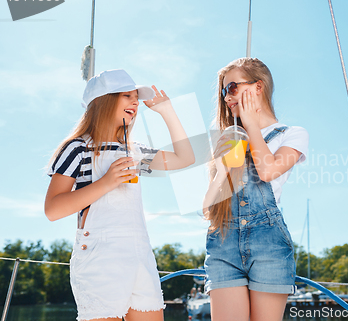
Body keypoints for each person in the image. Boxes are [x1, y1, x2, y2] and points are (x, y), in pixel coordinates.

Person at [44, 69, 195, 321]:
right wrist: (107, 182)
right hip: (99, 257)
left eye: (136, 97)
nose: (135, 102)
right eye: (127, 96)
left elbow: (185, 158)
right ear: (103, 101)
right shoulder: (77, 148)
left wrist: (168, 112)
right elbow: (53, 209)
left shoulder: (133, 151)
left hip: (139, 254)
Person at [202, 57, 309, 321]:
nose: (227, 98)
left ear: (258, 87)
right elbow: (208, 208)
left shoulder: (292, 134)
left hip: (269, 245)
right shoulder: (227, 137)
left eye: (232, 88)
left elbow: (267, 170)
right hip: (223, 242)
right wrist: (223, 167)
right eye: (224, 92)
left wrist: (250, 126)